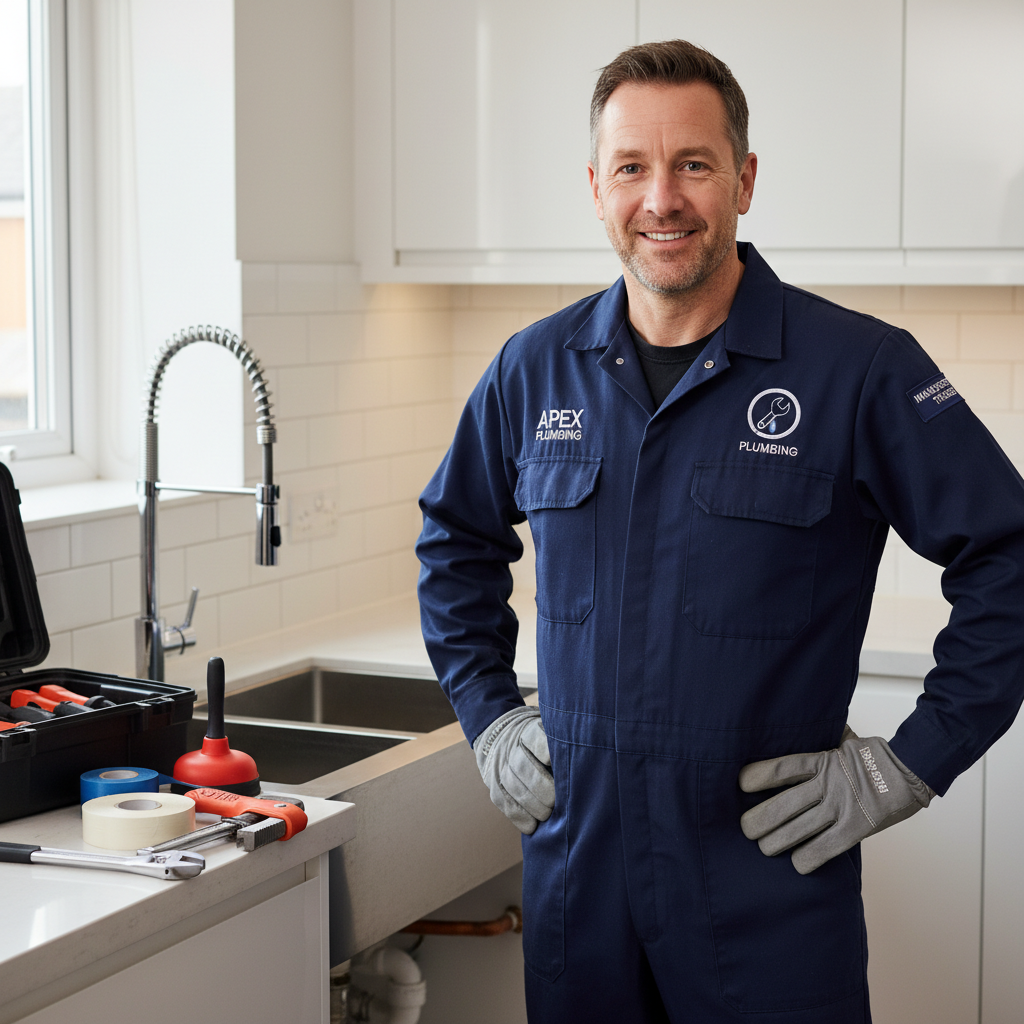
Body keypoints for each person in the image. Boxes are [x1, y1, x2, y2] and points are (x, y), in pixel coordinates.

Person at [415, 39, 1024, 1024]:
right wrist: (487, 712)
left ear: (743, 180)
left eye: (693, 164)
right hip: (581, 883)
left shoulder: (858, 369)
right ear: (596, 187)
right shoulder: (533, 370)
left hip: (767, 893)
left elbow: (1009, 554)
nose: (662, 198)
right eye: (632, 168)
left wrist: (912, 762)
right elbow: (454, 539)